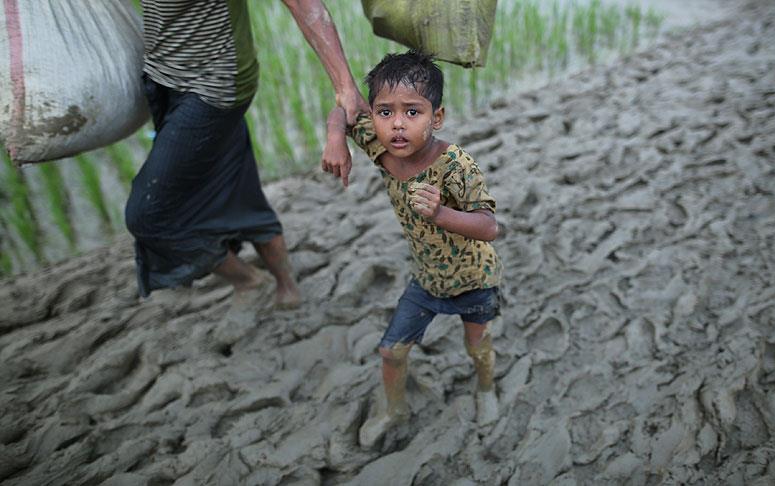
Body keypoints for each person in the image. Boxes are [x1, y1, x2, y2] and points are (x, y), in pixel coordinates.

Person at [125, 0, 368, 311]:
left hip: (213, 85)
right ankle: (285, 282)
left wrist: (345, 86)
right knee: (238, 186)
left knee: (147, 215)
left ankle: (250, 280)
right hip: (166, 78)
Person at [322, 50, 503, 447]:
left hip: (474, 279)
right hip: (426, 280)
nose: (398, 124)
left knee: (477, 344)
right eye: (385, 112)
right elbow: (344, 112)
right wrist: (337, 136)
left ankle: (486, 390)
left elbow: (490, 226)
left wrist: (441, 214)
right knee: (391, 351)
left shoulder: (457, 165)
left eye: (413, 112)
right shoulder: (383, 148)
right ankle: (394, 408)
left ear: (436, 118)